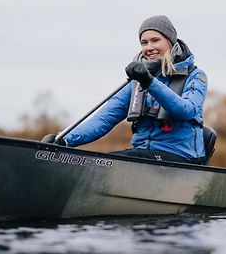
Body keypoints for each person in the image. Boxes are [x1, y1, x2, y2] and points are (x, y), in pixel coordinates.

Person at [43, 15, 208, 163]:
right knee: (105, 162)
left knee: (111, 163)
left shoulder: (195, 76)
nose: (149, 47)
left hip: (181, 157)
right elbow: (102, 120)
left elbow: (187, 110)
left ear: (170, 42)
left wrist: (150, 82)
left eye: (155, 40)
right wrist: (64, 140)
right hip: (143, 154)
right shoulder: (136, 81)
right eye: (144, 42)